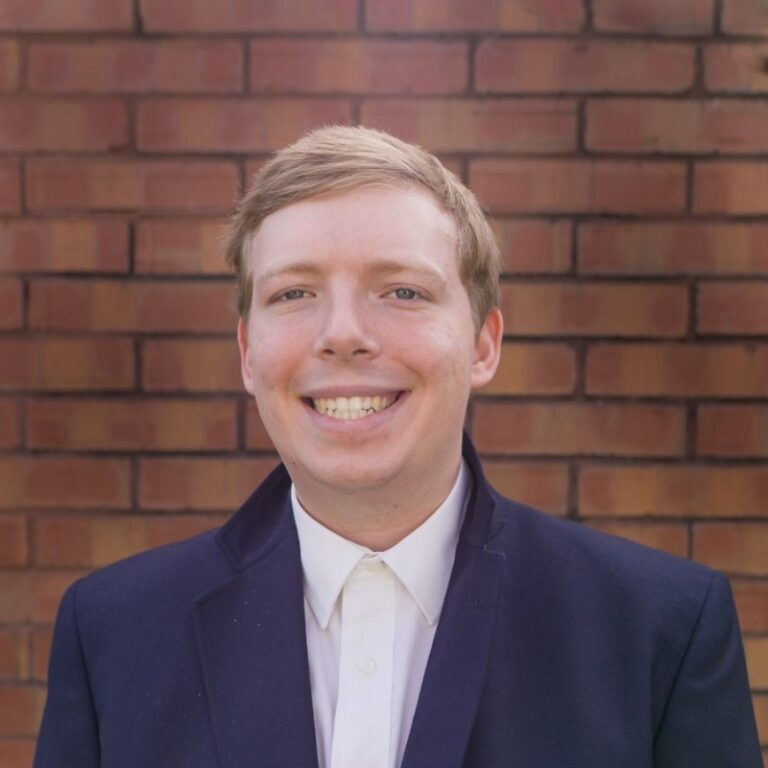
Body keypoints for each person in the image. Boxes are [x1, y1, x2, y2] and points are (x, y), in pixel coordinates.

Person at [35, 126, 762, 768]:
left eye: (402, 292)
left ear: (483, 344)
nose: (343, 332)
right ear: (247, 354)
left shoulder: (660, 632)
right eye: (294, 294)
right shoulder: (113, 634)